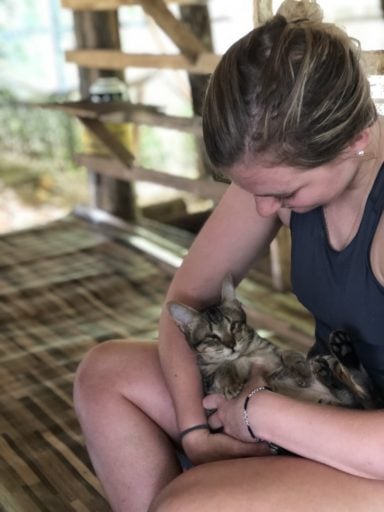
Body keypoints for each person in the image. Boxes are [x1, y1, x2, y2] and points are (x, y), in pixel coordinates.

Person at [73, 0, 384, 510]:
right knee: (104, 374)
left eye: (284, 195)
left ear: (356, 138)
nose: (264, 208)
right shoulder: (279, 169)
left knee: (189, 502)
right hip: (325, 398)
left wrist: (258, 414)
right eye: (249, 188)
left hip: (371, 445)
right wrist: (197, 431)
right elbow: (185, 304)